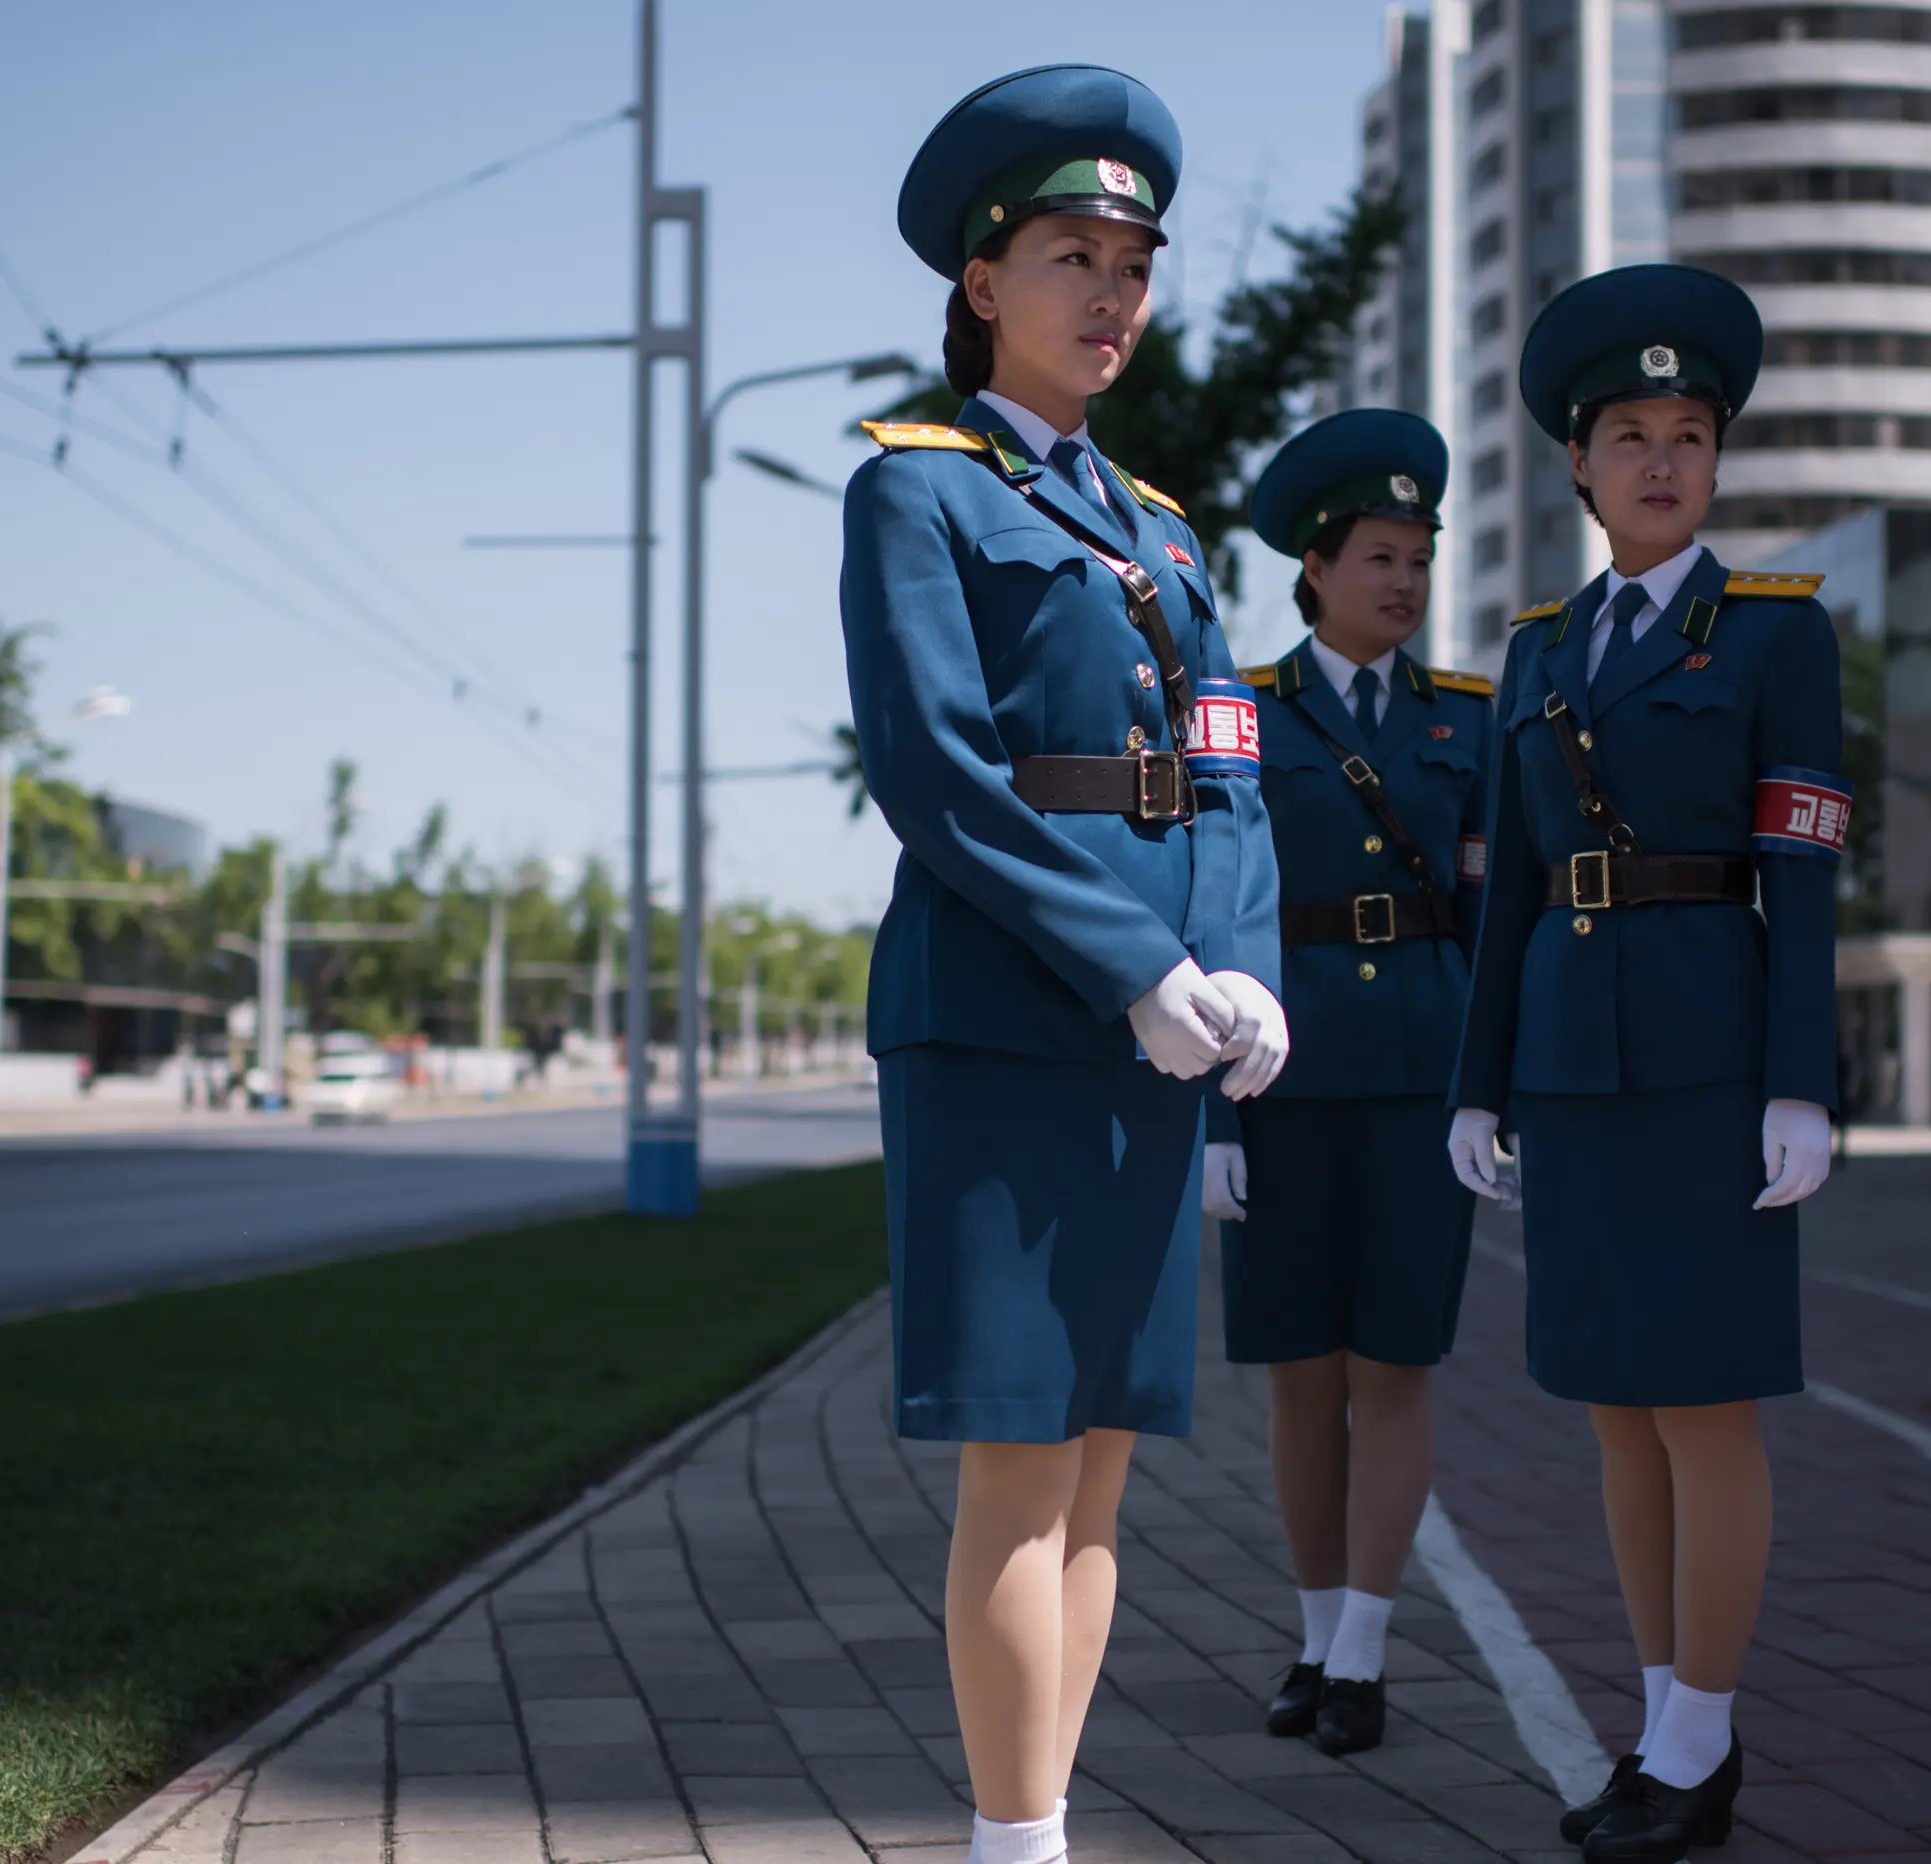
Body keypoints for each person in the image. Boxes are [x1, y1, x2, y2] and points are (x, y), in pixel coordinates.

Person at [840, 67, 1292, 1864]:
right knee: (1021, 1467)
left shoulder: (1171, 536)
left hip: (1156, 1036)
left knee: (1101, 1470)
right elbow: (933, 772)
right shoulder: (918, 498)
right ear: (979, 282)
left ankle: (1041, 1823)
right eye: (1066, 254)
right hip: (1010, 1024)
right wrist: (1127, 959)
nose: (1109, 291)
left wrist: (1240, 966)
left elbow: (1229, 770)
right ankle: (1007, 1842)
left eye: (1130, 260)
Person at [1445, 263, 1845, 1863]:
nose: (1663, 460)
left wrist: (1801, 1079)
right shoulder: (1535, 655)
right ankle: (1660, 1723)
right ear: (1578, 464)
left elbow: (1804, 866)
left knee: (1706, 1410)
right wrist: (1481, 1080)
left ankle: (1699, 1746)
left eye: (1691, 433)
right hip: (1565, 1056)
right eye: (1631, 434)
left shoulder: (1777, 637)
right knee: (1613, 1404)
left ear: (1718, 459)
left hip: (1708, 1047)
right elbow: (1510, 892)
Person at [1202, 408, 1488, 1756]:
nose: (1405, 582)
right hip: (1281, 1081)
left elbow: (1497, 922)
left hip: (1422, 1078)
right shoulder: (1243, 717)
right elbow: (1216, 910)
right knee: (1300, 1380)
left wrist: (1497, 1091)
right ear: (1314, 569)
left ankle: (1366, 1656)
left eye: (1419, 558)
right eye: (1379, 555)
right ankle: (1315, 1639)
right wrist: (1212, 1113)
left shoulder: (1467, 725)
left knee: (1400, 1368)